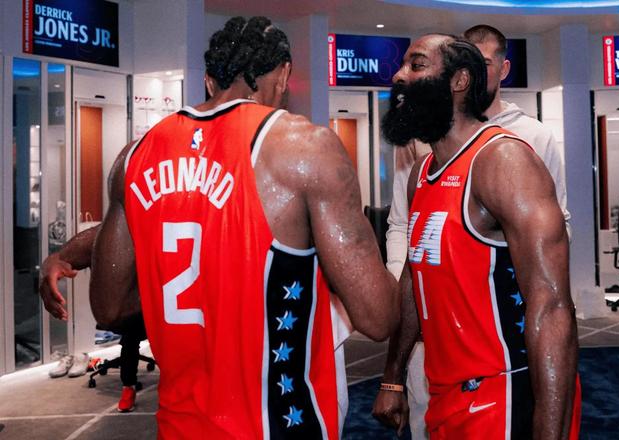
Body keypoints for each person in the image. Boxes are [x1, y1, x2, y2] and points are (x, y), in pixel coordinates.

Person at [43, 16, 399, 439]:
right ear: (283, 73)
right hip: (278, 424)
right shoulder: (304, 148)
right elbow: (378, 317)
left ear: (209, 80)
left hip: (180, 425)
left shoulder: (135, 155)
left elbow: (110, 308)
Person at [371, 33, 580, 439]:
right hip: (446, 395)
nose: (398, 76)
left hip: (504, 393)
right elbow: (415, 277)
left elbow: (554, 308)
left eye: (416, 65)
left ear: (459, 81)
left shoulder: (503, 160)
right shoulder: (421, 172)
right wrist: (393, 376)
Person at [40, 225, 146, 412]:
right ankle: (128, 387)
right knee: (131, 335)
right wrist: (57, 260)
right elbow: (101, 232)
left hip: (169, 305)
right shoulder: (125, 229)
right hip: (135, 306)